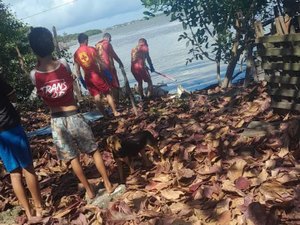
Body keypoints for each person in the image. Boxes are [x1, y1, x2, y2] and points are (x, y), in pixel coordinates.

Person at [28, 27, 117, 200]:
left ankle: (89, 190)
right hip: (74, 115)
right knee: (93, 150)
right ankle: (107, 183)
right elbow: (70, 78)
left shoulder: (34, 74)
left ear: (33, 49)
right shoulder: (63, 63)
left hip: (57, 121)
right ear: (52, 45)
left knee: (72, 158)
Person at [0, 77, 43, 223]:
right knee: (28, 168)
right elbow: (12, 94)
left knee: (14, 174)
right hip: (11, 126)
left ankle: (29, 213)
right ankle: (39, 208)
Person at [74, 33, 120, 117]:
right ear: (86, 40)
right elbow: (100, 62)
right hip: (96, 75)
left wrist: (81, 80)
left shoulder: (76, 54)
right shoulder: (91, 49)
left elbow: (77, 70)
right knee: (107, 93)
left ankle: (104, 115)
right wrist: (107, 72)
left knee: (96, 96)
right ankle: (115, 112)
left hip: (88, 77)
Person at [95, 33, 124, 104]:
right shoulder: (107, 44)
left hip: (101, 68)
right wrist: (120, 62)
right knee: (115, 85)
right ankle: (117, 102)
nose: (110, 40)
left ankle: (111, 102)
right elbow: (114, 55)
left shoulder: (97, 45)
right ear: (108, 38)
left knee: (107, 86)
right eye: (110, 39)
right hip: (109, 67)